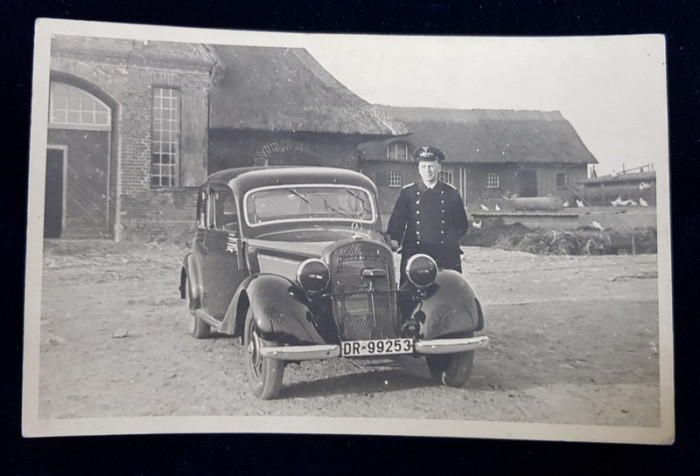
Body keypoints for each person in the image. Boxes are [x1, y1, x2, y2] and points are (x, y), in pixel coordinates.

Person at [387, 146, 469, 282]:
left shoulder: (451, 193)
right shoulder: (408, 192)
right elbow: (397, 222)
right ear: (419, 169)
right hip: (415, 252)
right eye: (424, 166)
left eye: (431, 166)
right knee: (410, 294)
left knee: (449, 289)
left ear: (439, 168)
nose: (428, 171)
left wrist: (448, 241)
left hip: (445, 254)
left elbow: (462, 225)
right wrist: (394, 239)